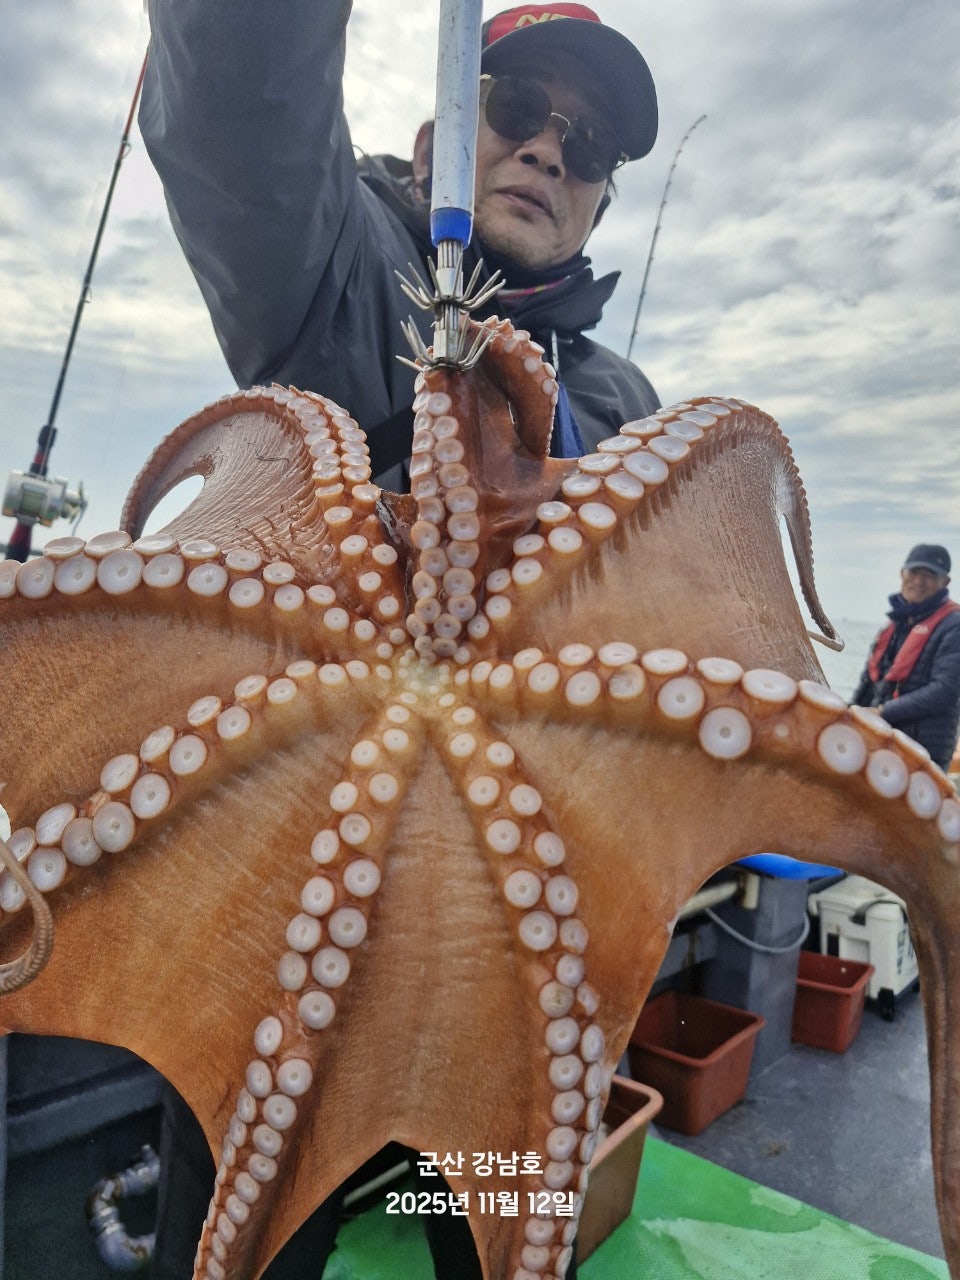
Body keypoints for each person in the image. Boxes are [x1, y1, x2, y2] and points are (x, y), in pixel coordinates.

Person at [140, 3, 661, 1276]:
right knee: (254, 1230)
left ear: (596, 205)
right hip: (282, 915)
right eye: (517, 109)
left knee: (468, 1216)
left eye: (584, 144)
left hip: (493, 949)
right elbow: (237, 112)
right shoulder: (345, 275)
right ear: (435, 140)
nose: (547, 149)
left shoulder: (621, 403)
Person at [851, 545, 960, 772]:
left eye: (929, 575)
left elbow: (945, 690)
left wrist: (882, 713)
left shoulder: (954, 626)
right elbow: (868, 685)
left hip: (923, 752)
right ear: (902, 574)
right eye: (914, 573)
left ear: (945, 582)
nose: (919, 581)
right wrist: (848, 715)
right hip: (882, 741)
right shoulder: (893, 627)